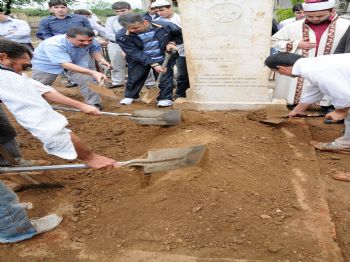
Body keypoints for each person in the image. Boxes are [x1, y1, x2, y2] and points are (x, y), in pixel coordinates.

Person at [0, 39, 117, 243]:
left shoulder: (8, 73)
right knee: (3, 198)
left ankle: (8, 163)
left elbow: (38, 88)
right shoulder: (4, 77)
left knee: (3, 130)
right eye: (22, 66)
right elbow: (43, 120)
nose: (22, 72)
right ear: (3, 57)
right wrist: (89, 156)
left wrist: (81, 106)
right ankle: (15, 229)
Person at [265, 52, 350, 182]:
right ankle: (346, 145)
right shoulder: (311, 65)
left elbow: (343, 94)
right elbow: (314, 91)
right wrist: (296, 111)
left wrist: (340, 111)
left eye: (278, 72)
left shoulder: (314, 70)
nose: (281, 75)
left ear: (281, 68)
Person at [271, 0, 350, 108]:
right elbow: (273, 41)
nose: (315, 19)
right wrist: (296, 44)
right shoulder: (293, 26)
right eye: (310, 16)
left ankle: (332, 107)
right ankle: (297, 105)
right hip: (299, 72)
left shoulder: (346, 26)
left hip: (331, 69)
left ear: (332, 11)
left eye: (320, 16)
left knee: (331, 87)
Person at [31, 27, 111, 110]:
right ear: (68, 37)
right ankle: (33, 104)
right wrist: (92, 72)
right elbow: (65, 64)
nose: (87, 43)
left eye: (89, 40)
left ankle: (94, 103)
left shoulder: (89, 40)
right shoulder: (53, 44)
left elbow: (94, 50)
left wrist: (101, 60)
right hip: (46, 64)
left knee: (87, 79)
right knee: (39, 85)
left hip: (76, 61)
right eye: (81, 41)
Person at [116, 13, 183, 107]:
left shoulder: (165, 25)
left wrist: (172, 43)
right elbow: (134, 52)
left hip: (162, 56)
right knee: (135, 77)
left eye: (135, 28)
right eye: (129, 28)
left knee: (164, 77)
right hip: (139, 58)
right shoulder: (121, 35)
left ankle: (165, 98)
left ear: (145, 22)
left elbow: (180, 35)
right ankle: (130, 96)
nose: (132, 30)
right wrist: (153, 64)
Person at [151, 0, 190, 99]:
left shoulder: (181, 19)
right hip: (166, 52)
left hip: (184, 51)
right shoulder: (156, 22)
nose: (159, 13)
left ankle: (182, 93)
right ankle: (172, 94)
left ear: (170, 7)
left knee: (183, 74)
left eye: (162, 10)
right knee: (170, 73)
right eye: (157, 11)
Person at [105, 1, 132, 88]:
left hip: (133, 45)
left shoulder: (136, 18)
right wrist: (124, 39)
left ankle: (148, 82)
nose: (120, 13)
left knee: (139, 63)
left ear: (130, 10)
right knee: (116, 64)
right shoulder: (111, 20)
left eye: (123, 10)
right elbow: (108, 34)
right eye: (117, 11)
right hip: (116, 44)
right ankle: (117, 82)